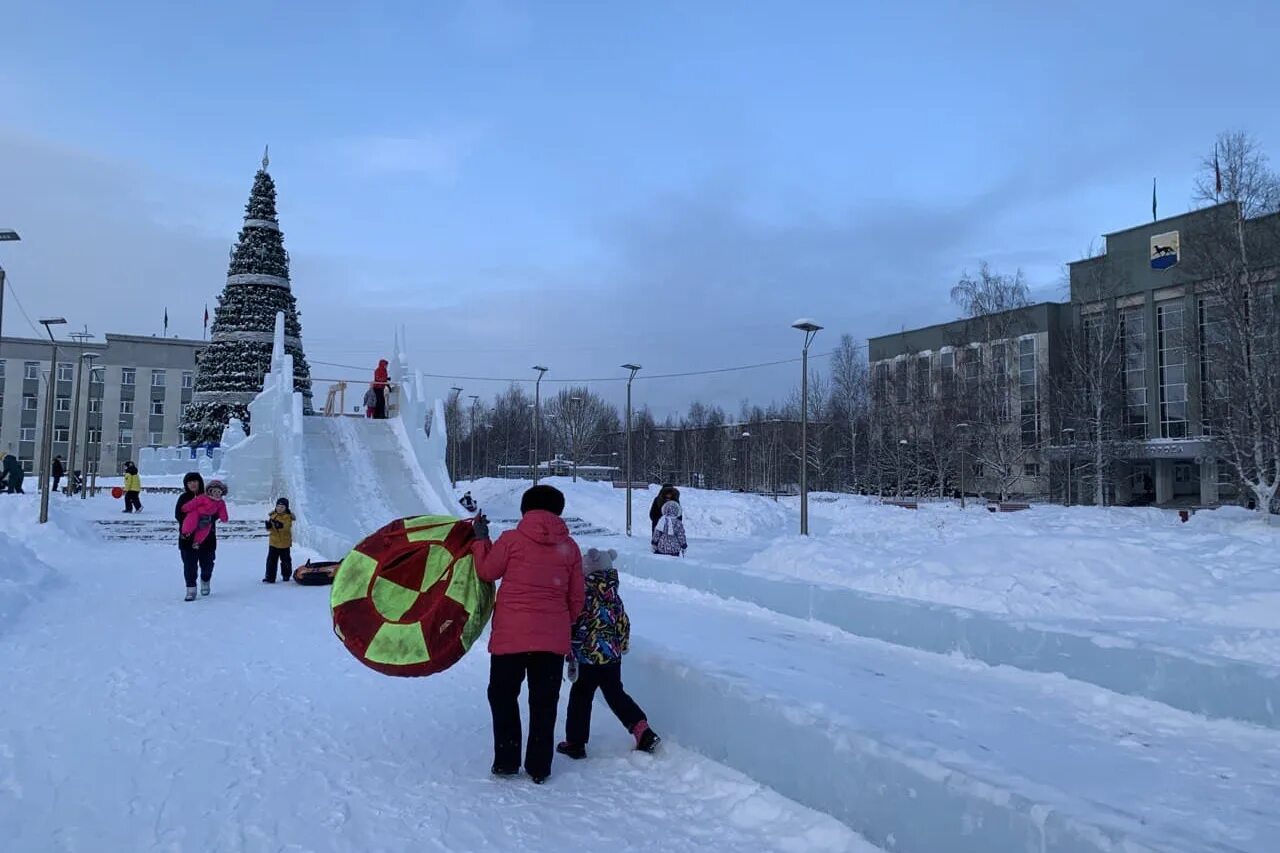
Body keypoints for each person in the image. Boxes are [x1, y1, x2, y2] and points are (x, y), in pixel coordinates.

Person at [470, 484, 585, 785]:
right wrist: (561, 625)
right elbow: (576, 598)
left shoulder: (511, 541)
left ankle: (507, 761)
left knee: (503, 696)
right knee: (544, 702)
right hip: (551, 641)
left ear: (525, 509)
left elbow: (486, 571)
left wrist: (481, 540)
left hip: (512, 637)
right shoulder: (570, 548)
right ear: (558, 510)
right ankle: (539, 765)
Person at [558, 548, 660, 761]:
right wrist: (621, 646)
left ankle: (575, 743)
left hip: (588, 657)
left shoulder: (583, 595)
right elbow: (623, 623)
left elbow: (573, 622)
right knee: (615, 694)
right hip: (612, 658)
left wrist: (568, 646)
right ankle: (642, 730)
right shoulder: (614, 596)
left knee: (581, 697)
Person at [175, 474, 228, 601]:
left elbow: (218, 513)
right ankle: (191, 589)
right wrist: (193, 521)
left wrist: (207, 518)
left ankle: (205, 579)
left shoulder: (212, 496)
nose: (193, 484)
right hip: (188, 538)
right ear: (186, 485)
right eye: (190, 482)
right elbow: (179, 514)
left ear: (200, 483)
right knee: (189, 565)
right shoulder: (184, 498)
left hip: (207, 537)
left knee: (207, 564)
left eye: (195, 482)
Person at [263, 498, 295, 583]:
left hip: (284, 543)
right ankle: (270, 577)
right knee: (271, 561)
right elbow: (271, 529)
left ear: (286, 508)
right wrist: (269, 527)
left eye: (282, 507)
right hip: (273, 542)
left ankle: (286, 575)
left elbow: (287, 527)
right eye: (278, 506)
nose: (279, 508)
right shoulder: (273, 515)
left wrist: (280, 526)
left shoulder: (288, 517)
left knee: (285, 560)